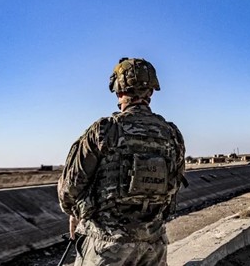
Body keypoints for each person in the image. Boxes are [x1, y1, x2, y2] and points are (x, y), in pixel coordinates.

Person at [58, 57, 186, 266]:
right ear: (151, 92)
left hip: (106, 246)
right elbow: (174, 183)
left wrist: (75, 213)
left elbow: (69, 189)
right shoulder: (172, 134)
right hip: (153, 245)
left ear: (118, 92)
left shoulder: (104, 130)